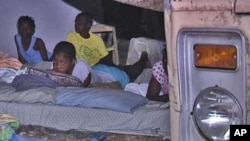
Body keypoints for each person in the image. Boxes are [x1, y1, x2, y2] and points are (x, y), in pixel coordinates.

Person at [67, 12, 151, 82]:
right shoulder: (72, 36)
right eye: (76, 22)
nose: (76, 25)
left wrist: (112, 67)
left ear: (88, 25)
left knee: (124, 70)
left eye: (79, 23)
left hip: (97, 64)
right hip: (84, 66)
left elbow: (106, 56)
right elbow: (68, 52)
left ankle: (143, 59)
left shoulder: (96, 40)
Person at [51, 41, 130, 88]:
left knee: (130, 72)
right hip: (96, 69)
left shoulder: (81, 67)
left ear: (73, 61)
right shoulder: (54, 64)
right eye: (55, 62)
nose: (58, 65)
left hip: (112, 76)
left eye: (63, 62)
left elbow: (85, 88)